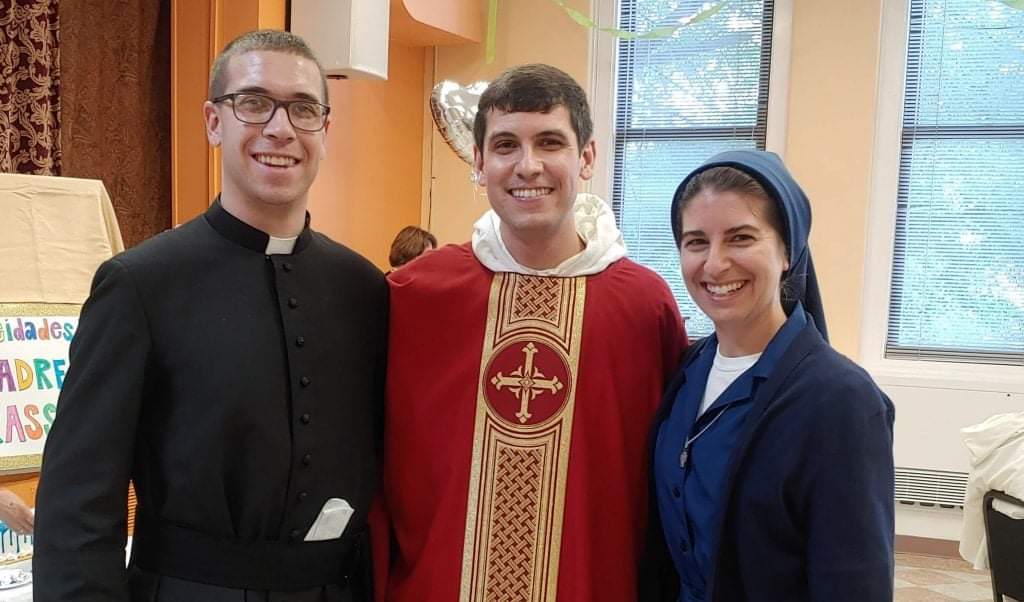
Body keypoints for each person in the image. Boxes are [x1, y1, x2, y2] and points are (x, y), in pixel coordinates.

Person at [33, 30, 387, 602]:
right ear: (213, 122)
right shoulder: (140, 285)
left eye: (303, 109)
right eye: (252, 103)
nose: (280, 128)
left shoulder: (365, 290)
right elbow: (78, 504)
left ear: (325, 131)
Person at [373, 64, 686, 602]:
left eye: (550, 142)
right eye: (505, 145)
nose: (528, 165)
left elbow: (669, 481)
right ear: (478, 161)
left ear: (586, 157)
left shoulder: (643, 306)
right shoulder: (415, 295)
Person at [648, 150, 894, 601]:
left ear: (787, 251)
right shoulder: (684, 372)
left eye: (741, 238)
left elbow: (854, 583)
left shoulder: (841, 401)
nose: (715, 264)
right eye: (696, 242)